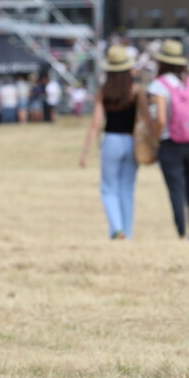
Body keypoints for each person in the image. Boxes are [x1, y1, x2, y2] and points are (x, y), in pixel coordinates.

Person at [79, 46, 142, 240]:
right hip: (132, 141)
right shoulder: (136, 90)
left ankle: (116, 228)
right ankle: (127, 234)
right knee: (127, 189)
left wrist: (86, 151)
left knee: (109, 188)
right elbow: (145, 120)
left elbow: (96, 124)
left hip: (112, 140)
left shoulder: (104, 91)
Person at [147, 39, 189, 240]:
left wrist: (155, 140)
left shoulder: (158, 85)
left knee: (176, 190)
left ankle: (181, 234)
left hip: (171, 143)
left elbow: (160, 118)